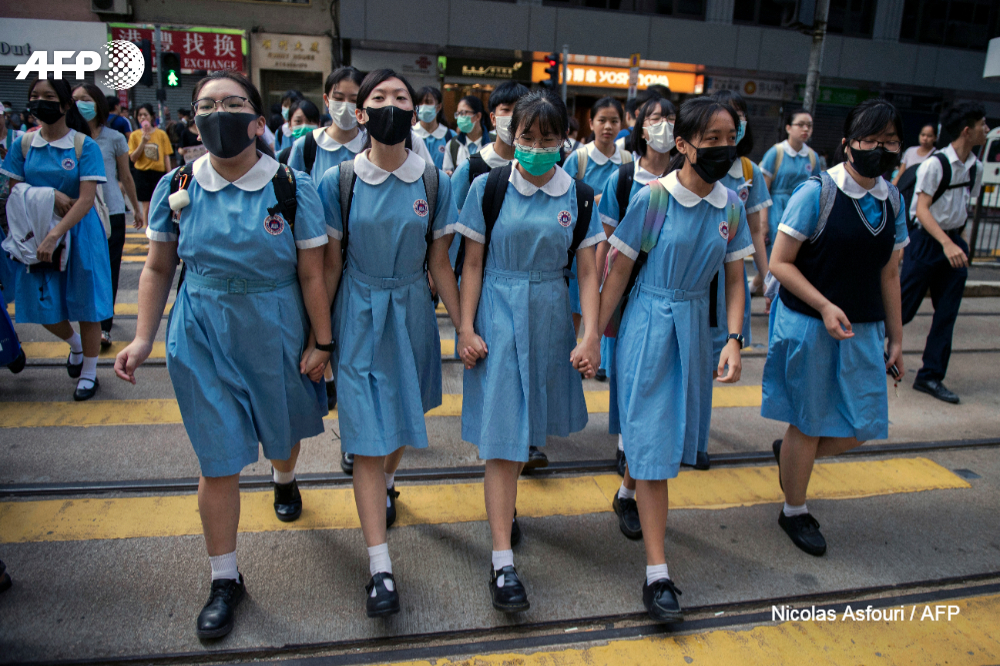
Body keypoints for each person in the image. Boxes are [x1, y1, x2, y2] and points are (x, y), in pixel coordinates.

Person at [114, 71, 331, 639]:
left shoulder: (291, 185)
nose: (218, 114)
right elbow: (158, 267)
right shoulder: (177, 184)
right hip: (201, 330)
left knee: (283, 437)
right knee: (218, 460)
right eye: (206, 106)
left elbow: (313, 273)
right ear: (193, 121)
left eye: (232, 104)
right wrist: (142, 338)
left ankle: (284, 476)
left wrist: (322, 341)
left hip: (275, 325)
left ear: (258, 122)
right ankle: (224, 578)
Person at [596, 96, 753, 623]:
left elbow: (735, 278)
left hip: (693, 328)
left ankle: (626, 491)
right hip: (648, 324)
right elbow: (617, 270)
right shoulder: (654, 198)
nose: (723, 147)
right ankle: (657, 575)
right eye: (711, 139)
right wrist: (593, 337)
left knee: (661, 435)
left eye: (730, 137)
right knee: (655, 444)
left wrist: (734, 339)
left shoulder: (731, 206)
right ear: (683, 145)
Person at [318, 68, 461, 618]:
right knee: (367, 441)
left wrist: (464, 327)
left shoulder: (434, 182)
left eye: (402, 96)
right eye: (379, 97)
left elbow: (440, 262)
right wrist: (320, 339)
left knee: (401, 420)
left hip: (411, 313)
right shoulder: (339, 182)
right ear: (361, 113)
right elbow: (329, 266)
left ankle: (388, 481)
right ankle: (380, 568)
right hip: (357, 312)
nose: (393, 105)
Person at [456, 89, 601, 612]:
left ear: (564, 140)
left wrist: (590, 335)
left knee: (523, 431)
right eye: (527, 137)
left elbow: (589, 270)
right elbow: (472, 263)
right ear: (511, 135)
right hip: (497, 313)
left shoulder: (579, 196)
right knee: (503, 438)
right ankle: (502, 563)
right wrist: (465, 327)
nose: (536, 148)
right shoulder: (488, 187)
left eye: (547, 138)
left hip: (548, 318)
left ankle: (505, 511)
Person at [764, 99, 909, 557]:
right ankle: (794, 509)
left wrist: (897, 336)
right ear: (848, 144)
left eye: (890, 141)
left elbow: (890, 272)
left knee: (865, 422)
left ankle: (792, 455)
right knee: (808, 422)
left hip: (863, 328)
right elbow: (780, 263)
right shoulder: (817, 193)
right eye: (871, 140)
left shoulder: (893, 199)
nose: (881, 149)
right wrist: (825, 306)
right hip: (810, 324)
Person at [0, 77, 112, 401]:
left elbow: (86, 199)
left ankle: (89, 373)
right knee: (41, 303)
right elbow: (12, 190)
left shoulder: (84, 146)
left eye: (48, 96)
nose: (40, 102)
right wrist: (49, 195)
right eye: (34, 95)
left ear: (65, 105)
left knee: (88, 306)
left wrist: (55, 235)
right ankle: (75, 345)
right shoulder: (24, 145)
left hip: (81, 233)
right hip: (37, 232)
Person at [594, 95, 676, 506]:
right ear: (641, 127)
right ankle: (627, 446)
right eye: (656, 118)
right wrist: (597, 297)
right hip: (627, 293)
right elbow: (605, 242)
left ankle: (636, 454)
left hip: (668, 293)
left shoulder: (687, 177)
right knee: (629, 375)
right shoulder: (625, 179)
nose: (665, 125)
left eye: (671, 118)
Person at [696, 89, 774, 469]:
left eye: (738, 119)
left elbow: (757, 230)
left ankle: (697, 440)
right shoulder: (691, 163)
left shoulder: (748, 171)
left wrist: (767, 278)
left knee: (714, 363)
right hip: (692, 278)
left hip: (729, 280)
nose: (733, 126)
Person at [899, 103, 987, 404]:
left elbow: (964, 208)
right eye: (982, 124)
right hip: (926, 241)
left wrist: (960, 242)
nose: (986, 129)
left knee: (946, 314)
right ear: (967, 130)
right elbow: (922, 210)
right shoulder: (935, 165)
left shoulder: (975, 167)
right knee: (903, 308)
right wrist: (946, 243)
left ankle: (930, 376)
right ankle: (869, 352)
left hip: (953, 244)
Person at [72, 84, 144, 349]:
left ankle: (104, 326)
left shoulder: (114, 138)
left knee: (109, 270)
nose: (80, 104)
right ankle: (85, 323)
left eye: (85, 99)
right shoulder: (69, 137)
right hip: (77, 213)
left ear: (98, 104)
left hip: (111, 211)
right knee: (82, 270)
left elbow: (125, 176)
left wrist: (136, 208)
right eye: (75, 99)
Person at [563, 97, 631, 335]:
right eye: (602, 120)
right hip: (582, 246)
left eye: (614, 121)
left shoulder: (628, 161)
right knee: (575, 308)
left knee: (608, 309)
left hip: (616, 247)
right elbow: (563, 199)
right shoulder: (579, 159)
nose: (608, 126)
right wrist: (600, 200)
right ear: (591, 123)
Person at [289, 66, 366, 183]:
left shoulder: (370, 147)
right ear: (326, 100)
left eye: (354, 100)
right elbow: (290, 188)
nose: (345, 106)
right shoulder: (306, 146)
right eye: (339, 98)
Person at [760, 109, 818, 253]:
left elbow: (817, 190)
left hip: (801, 211)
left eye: (809, 126)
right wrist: (763, 222)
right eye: (801, 124)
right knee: (773, 254)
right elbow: (763, 191)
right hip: (775, 210)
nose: (806, 129)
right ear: (788, 128)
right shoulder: (776, 152)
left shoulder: (812, 156)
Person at [128, 103, 173, 222]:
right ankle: (148, 229)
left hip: (158, 173)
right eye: (140, 115)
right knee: (146, 206)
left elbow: (166, 156)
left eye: (145, 114)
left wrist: (169, 175)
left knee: (160, 203)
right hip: (142, 174)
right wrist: (143, 142)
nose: (142, 117)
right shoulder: (134, 135)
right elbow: (133, 158)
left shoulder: (161, 134)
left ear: (151, 116)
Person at [442, 95, 491, 174]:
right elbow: (446, 172)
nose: (459, 118)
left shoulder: (493, 142)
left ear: (478, 116)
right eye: (458, 114)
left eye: (463, 113)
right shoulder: (453, 145)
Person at [413, 86, 453, 170]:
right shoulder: (409, 134)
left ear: (438, 107)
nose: (423, 106)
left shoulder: (450, 136)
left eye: (428, 102)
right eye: (420, 103)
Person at [277, 99, 321, 164]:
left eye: (310, 121)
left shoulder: (326, 153)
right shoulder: (281, 157)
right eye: (298, 121)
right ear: (289, 125)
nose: (304, 126)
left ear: (319, 124)